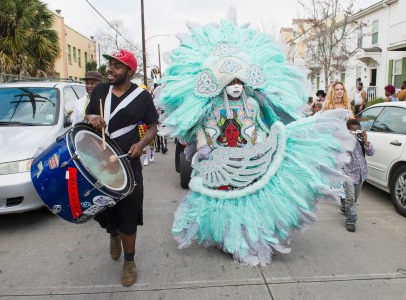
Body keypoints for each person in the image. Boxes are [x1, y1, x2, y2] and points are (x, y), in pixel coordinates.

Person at [157, 19, 354, 266]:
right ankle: (226, 238)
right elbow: (204, 128)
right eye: (231, 83)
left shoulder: (252, 103)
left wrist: (265, 145)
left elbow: (260, 126)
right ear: (223, 85)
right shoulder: (215, 105)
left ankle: (247, 238)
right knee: (222, 202)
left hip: (250, 159)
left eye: (240, 82)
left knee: (248, 202)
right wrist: (205, 147)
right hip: (221, 162)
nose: (236, 87)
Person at [84, 49, 159, 287]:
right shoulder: (99, 91)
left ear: (130, 71)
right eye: (110, 64)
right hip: (100, 163)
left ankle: (129, 261)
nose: (110, 69)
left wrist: (142, 144)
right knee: (105, 212)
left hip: (129, 163)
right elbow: (88, 117)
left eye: (117, 66)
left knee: (128, 213)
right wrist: (92, 119)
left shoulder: (142, 97)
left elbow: (152, 127)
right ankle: (113, 234)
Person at [341, 119, 375, 232]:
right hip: (348, 173)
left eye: (357, 130)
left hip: (361, 173)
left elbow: (371, 153)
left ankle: (346, 207)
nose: (355, 132)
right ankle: (351, 220)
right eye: (352, 131)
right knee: (351, 198)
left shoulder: (361, 140)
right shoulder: (343, 141)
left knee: (354, 198)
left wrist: (365, 140)